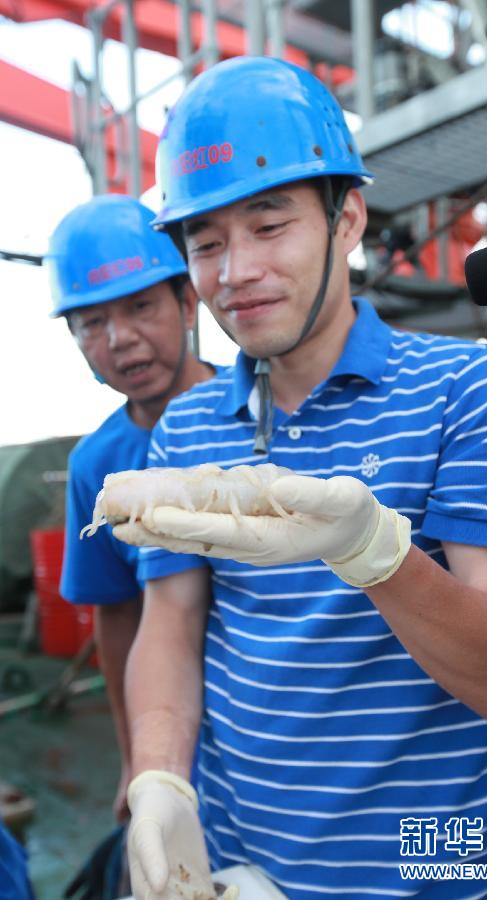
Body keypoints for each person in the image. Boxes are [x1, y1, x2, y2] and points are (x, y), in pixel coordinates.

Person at [119, 57, 487, 900]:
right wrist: (159, 779)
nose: (233, 270)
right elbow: (169, 623)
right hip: (246, 869)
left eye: (269, 224)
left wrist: (374, 553)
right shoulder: (187, 425)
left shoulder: (469, 388)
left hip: (445, 866)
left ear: (346, 218)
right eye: (204, 242)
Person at [45, 194, 215, 825]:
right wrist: (133, 758)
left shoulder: (264, 411)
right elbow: (116, 619)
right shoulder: (97, 466)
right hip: (181, 726)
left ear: (187, 301)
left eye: (141, 305)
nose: (120, 339)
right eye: (90, 322)